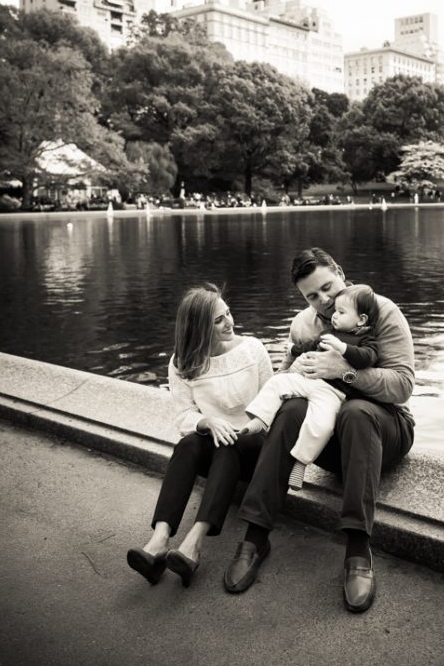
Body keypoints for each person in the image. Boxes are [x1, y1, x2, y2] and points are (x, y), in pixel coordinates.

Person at [223, 248, 415, 613]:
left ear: (341, 272)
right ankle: (255, 536)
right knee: (293, 406)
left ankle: (358, 550)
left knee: (357, 412)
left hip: (384, 429)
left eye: (328, 288)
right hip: (330, 437)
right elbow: (288, 374)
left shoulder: (379, 310)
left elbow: (402, 386)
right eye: (312, 296)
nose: (324, 301)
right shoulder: (303, 325)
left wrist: (341, 370)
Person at [126, 283, 273, 588]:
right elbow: (183, 417)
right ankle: (159, 540)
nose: (230, 322)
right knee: (189, 443)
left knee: (230, 443)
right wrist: (207, 421)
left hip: (254, 446)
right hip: (215, 448)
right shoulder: (182, 363)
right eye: (219, 320)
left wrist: (243, 428)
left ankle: (193, 543)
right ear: (199, 328)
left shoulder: (252, 349)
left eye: (228, 313)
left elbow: (271, 407)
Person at [240, 284, 379, 491]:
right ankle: (260, 419)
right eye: (336, 312)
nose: (334, 316)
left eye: (341, 312)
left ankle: (301, 463)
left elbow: (367, 359)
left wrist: (342, 348)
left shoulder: (365, 340)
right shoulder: (330, 332)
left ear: (361, 320)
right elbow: (311, 345)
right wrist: (294, 349)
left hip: (333, 392)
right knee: (278, 383)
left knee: (321, 425)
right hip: (308, 380)